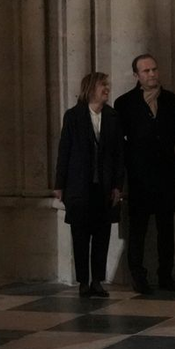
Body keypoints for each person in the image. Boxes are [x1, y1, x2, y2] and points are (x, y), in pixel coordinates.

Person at [114, 53, 175, 294]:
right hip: (140, 176)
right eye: (146, 71)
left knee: (166, 228)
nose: (152, 74)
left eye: (154, 69)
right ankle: (138, 276)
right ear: (136, 75)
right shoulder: (124, 103)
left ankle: (166, 274)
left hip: (165, 172)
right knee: (138, 228)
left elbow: (172, 134)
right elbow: (122, 142)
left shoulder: (170, 99)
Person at [55, 71, 123, 297]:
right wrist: (59, 184)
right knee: (81, 235)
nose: (107, 89)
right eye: (103, 85)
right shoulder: (73, 116)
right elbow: (64, 151)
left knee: (102, 235)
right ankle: (83, 281)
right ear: (91, 88)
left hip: (103, 187)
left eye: (107, 85)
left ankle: (98, 281)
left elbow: (118, 156)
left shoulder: (113, 116)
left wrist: (117, 186)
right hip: (79, 186)